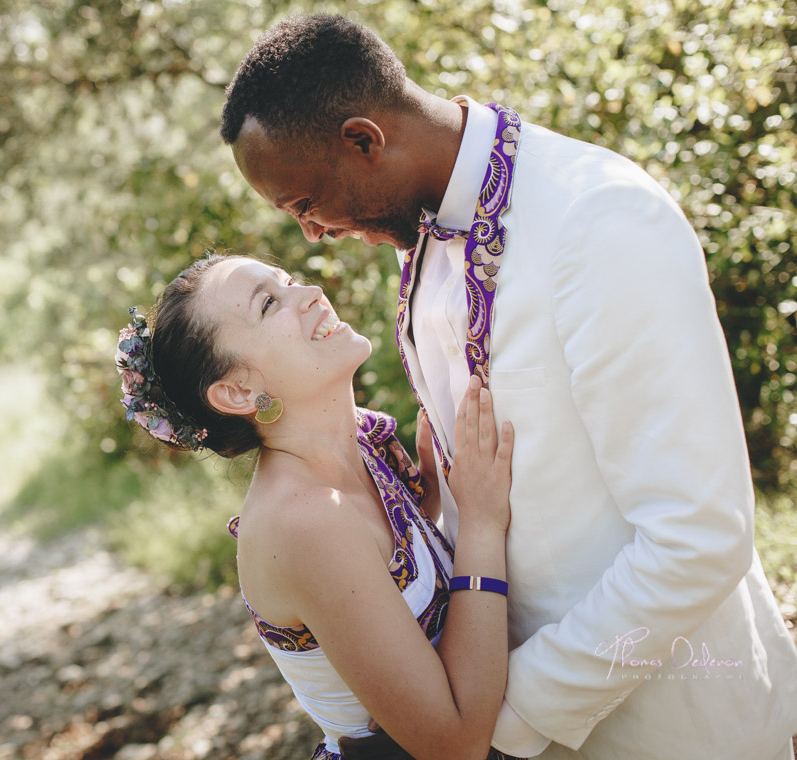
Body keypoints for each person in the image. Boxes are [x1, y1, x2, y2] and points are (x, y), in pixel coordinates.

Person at [218, 13, 797, 760]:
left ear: (364, 141)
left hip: (672, 724)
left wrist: (509, 717)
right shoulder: (421, 239)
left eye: (305, 204)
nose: (313, 235)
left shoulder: (599, 220)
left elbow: (702, 538)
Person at [116, 253, 519, 759]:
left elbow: (403, 583)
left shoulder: (361, 444)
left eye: (288, 280)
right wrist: (481, 524)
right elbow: (455, 745)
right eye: (269, 303)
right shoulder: (302, 522)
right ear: (240, 391)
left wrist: (433, 491)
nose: (309, 293)